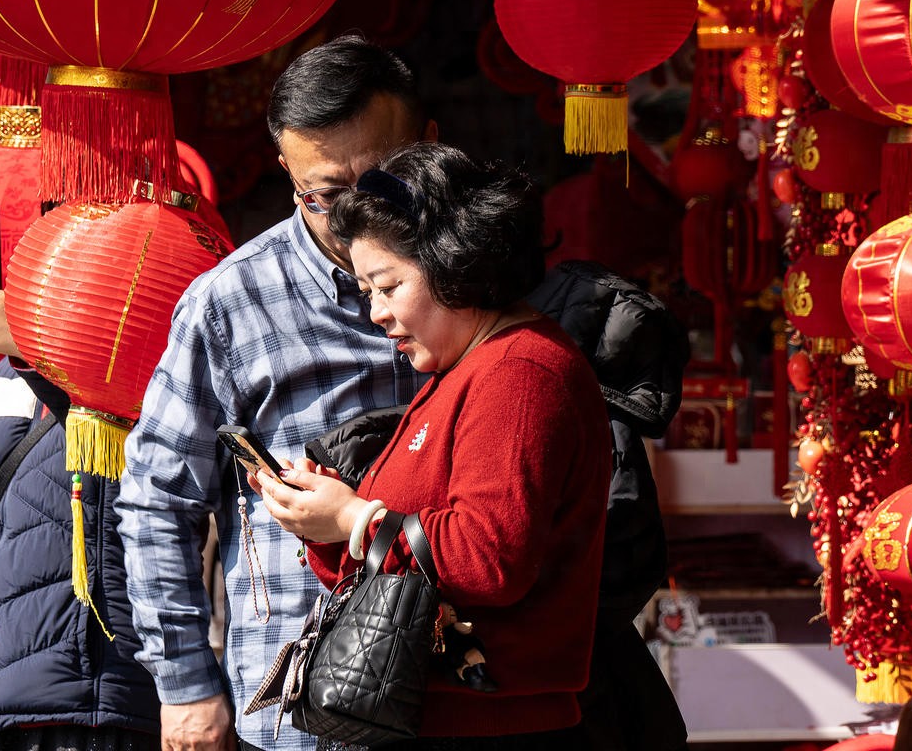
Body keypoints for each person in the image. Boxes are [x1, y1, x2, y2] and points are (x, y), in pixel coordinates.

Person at [116, 37, 434, 751]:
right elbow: (155, 502)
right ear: (287, 171)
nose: (356, 218)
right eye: (325, 197)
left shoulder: (479, 288)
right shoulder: (230, 304)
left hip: (464, 694)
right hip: (301, 707)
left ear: (429, 148)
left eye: (383, 184)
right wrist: (187, 690)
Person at [252, 143, 612, 747]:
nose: (377, 313)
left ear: (453, 264)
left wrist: (350, 516)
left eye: (388, 286)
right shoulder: (470, 366)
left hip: (492, 724)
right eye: (367, 290)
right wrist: (327, 519)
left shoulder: (519, 371)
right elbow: (400, 555)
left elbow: (489, 556)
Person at [0, 272, 161, 751]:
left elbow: (117, 458)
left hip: (86, 704)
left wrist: (30, 345)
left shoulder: (138, 354)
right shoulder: (3, 374)